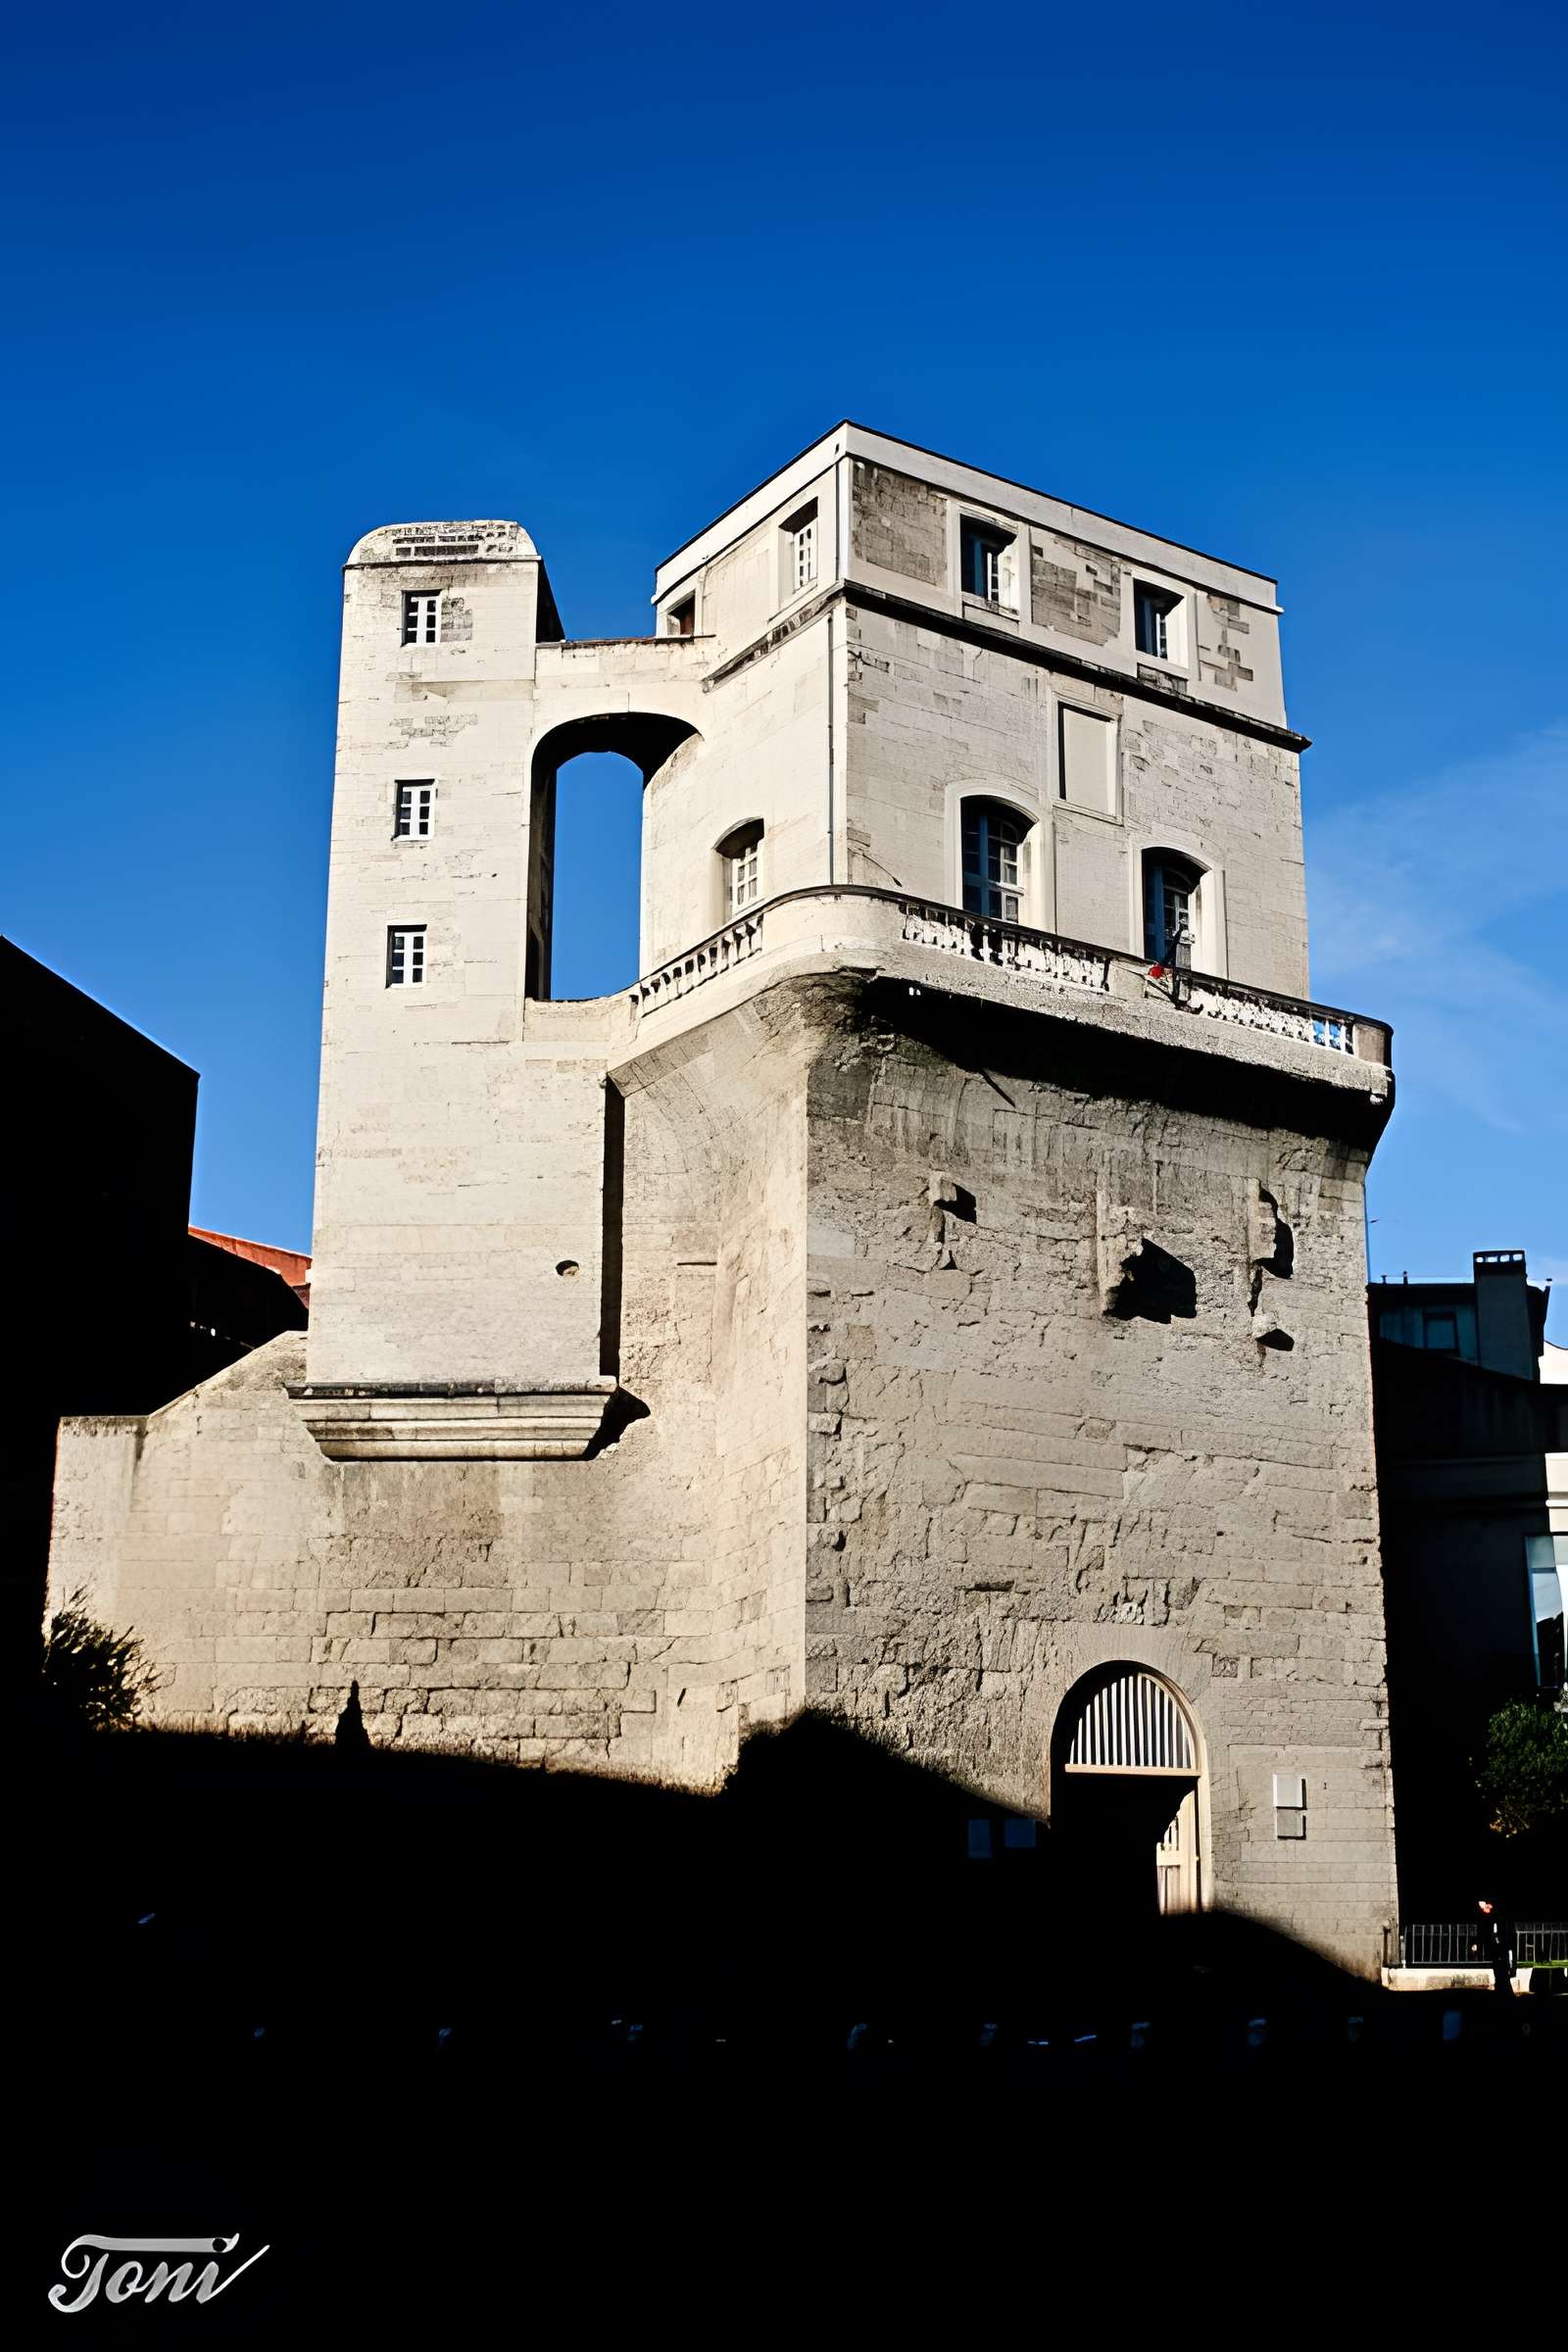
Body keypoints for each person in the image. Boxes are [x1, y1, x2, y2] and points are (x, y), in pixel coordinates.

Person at [1477, 1896, 1515, 1998]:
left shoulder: (1499, 1919)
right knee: (1499, 1970)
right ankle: (1502, 1990)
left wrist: (1498, 1941)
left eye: (1485, 1907)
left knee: (1501, 1970)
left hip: (1501, 1949)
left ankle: (1503, 1991)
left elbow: (1501, 1935)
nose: (1483, 1909)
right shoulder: (1491, 1919)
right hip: (1498, 1950)